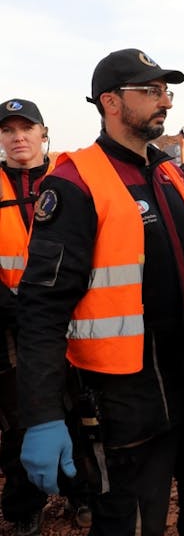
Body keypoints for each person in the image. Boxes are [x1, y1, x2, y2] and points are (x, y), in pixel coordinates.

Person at [15, 49, 184, 536]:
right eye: (150, 91)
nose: (165, 102)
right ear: (111, 102)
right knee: (130, 519)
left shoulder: (169, 171)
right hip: (127, 396)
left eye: (166, 91)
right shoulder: (75, 184)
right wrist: (43, 416)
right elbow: (42, 310)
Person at [0, 100, 91, 535]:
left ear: (43, 133)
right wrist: (12, 305)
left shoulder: (70, 181)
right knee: (22, 418)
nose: (18, 137)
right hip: (11, 326)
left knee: (82, 408)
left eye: (26, 128)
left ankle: (82, 494)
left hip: (70, 316)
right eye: (8, 130)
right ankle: (24, 508)